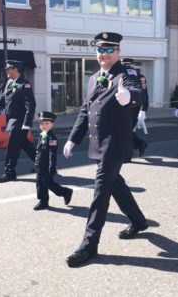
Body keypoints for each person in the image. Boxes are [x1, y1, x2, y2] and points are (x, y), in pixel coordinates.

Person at [63, 32, 148, 267]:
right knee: (115, 184)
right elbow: (85, 111)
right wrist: (73, 139)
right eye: (100, 49)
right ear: (96, 52)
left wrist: (129, 96)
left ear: (118, 52)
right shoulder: (92, 78)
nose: (104, 53)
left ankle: (89, 246)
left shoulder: (125, 74)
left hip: (115, 144)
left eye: (110, 49)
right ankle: (139, 221)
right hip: (98, 143)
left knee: (100, 193)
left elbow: (137, 93)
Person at [0, 60, 36, 183]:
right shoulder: (9, 82)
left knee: (12, 147)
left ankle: (10, 172)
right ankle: (46, 166)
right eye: (6, 69)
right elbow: (3, 98)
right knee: (26, 145)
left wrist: (27, 123)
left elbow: (31, 105)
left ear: (16, 69)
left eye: (9, 68)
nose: (7, 71)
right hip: (12, 121)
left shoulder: (25, 84)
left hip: (19, 122)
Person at [34, 111, 73, 210]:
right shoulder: (42, 134)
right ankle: (43, 201)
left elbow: (52, 153)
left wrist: (52, 166)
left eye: (47, 123)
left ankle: (66, 192)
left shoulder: (52, 138)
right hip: (40, 164)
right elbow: (39, 149)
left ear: (52, 124)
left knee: (49, 184)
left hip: (47, 165)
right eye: (42, 123)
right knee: (39, 182)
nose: (44, 126)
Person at [122, 58, 149, 158]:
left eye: (128, 65)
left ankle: (128, 154)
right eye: (125, 65)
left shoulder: (140, 77)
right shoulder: (121, 75)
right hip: (122, 107)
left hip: (134, 107)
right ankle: (139, 144)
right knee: (125, 131)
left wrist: (143, 109)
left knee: (126, 131)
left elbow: (144, 94)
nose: (127, 67)